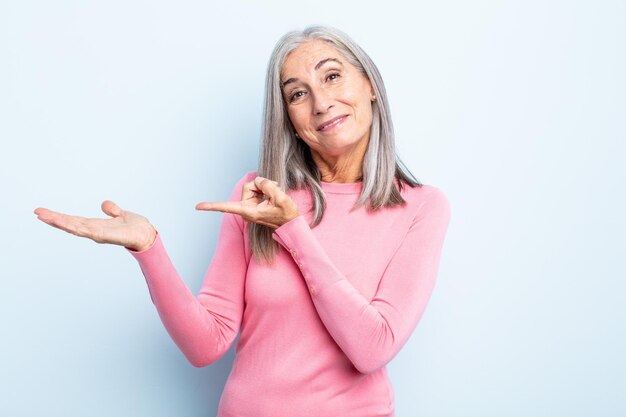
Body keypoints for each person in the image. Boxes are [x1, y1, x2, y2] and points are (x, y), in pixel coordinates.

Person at [34, 26, 451, 417]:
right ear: (288, 117)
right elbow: (206, 343)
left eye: (332, 77)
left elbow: (372, 348)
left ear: (371, 86)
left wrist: (293, 230)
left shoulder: (420, 207)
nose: (321, 103)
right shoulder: (255, 195)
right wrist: (148, 248)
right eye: (297, 94)